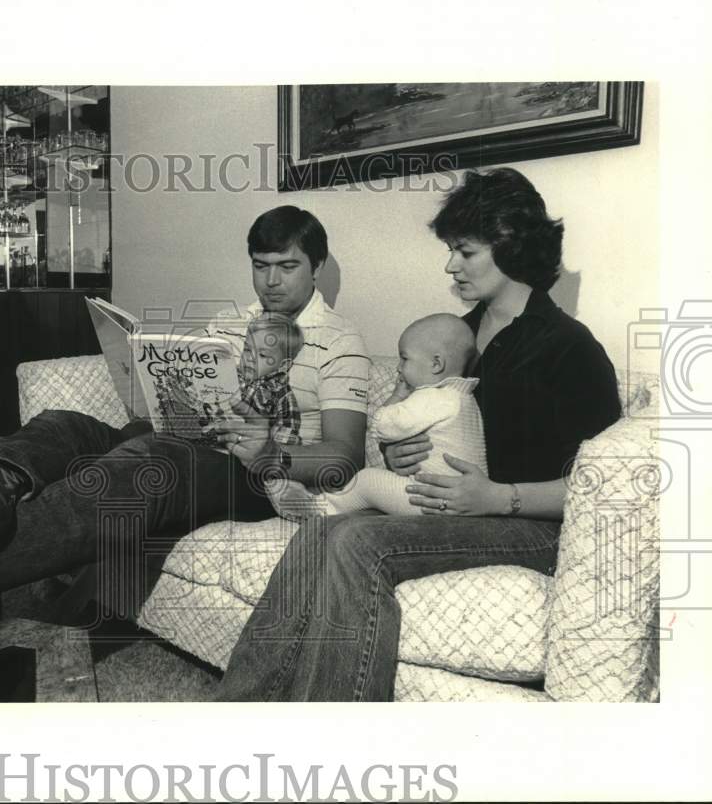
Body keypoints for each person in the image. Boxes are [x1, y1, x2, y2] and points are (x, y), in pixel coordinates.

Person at [0, 205, 370, 623]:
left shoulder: (340, 343)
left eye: (287, 267)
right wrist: (150, 381)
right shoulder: (230, 323)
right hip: (192, 442)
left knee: (150, 462)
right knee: (67, 424)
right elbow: (188, 391)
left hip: (255, 479)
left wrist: (270, 451)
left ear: (316, 267)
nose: (271, 282)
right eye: (260, 267)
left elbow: (342, 460)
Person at [216, 167, 623, 702]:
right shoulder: (457, 335)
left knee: (356, 539)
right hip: (442, 505)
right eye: (452, 249)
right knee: (318, 533)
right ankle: (235, 712)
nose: (450, 265)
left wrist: (500, 496)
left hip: (528, 525)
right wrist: (394, 448)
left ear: (513, 247)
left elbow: (605, 486)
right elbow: (413, 417)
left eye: (466, 252)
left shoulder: (568, 345)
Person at [269, 312, 485, 519]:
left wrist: (397, 395)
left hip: (432, 500)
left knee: (366, 481)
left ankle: (320, 508)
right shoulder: (464, 399)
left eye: (404, 359)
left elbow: (384, 425)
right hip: (455, 500)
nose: (398, 369)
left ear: (436, 364)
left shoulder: (433, 398)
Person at [226, 312, 305, 447]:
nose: (250, 358)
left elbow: (289, 432)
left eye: (262, 354)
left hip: (251, 449)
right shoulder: (232, 374)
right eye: (247, 349)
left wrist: (268, 446)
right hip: (221, 434)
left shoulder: (280, 393)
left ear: (283, 365)